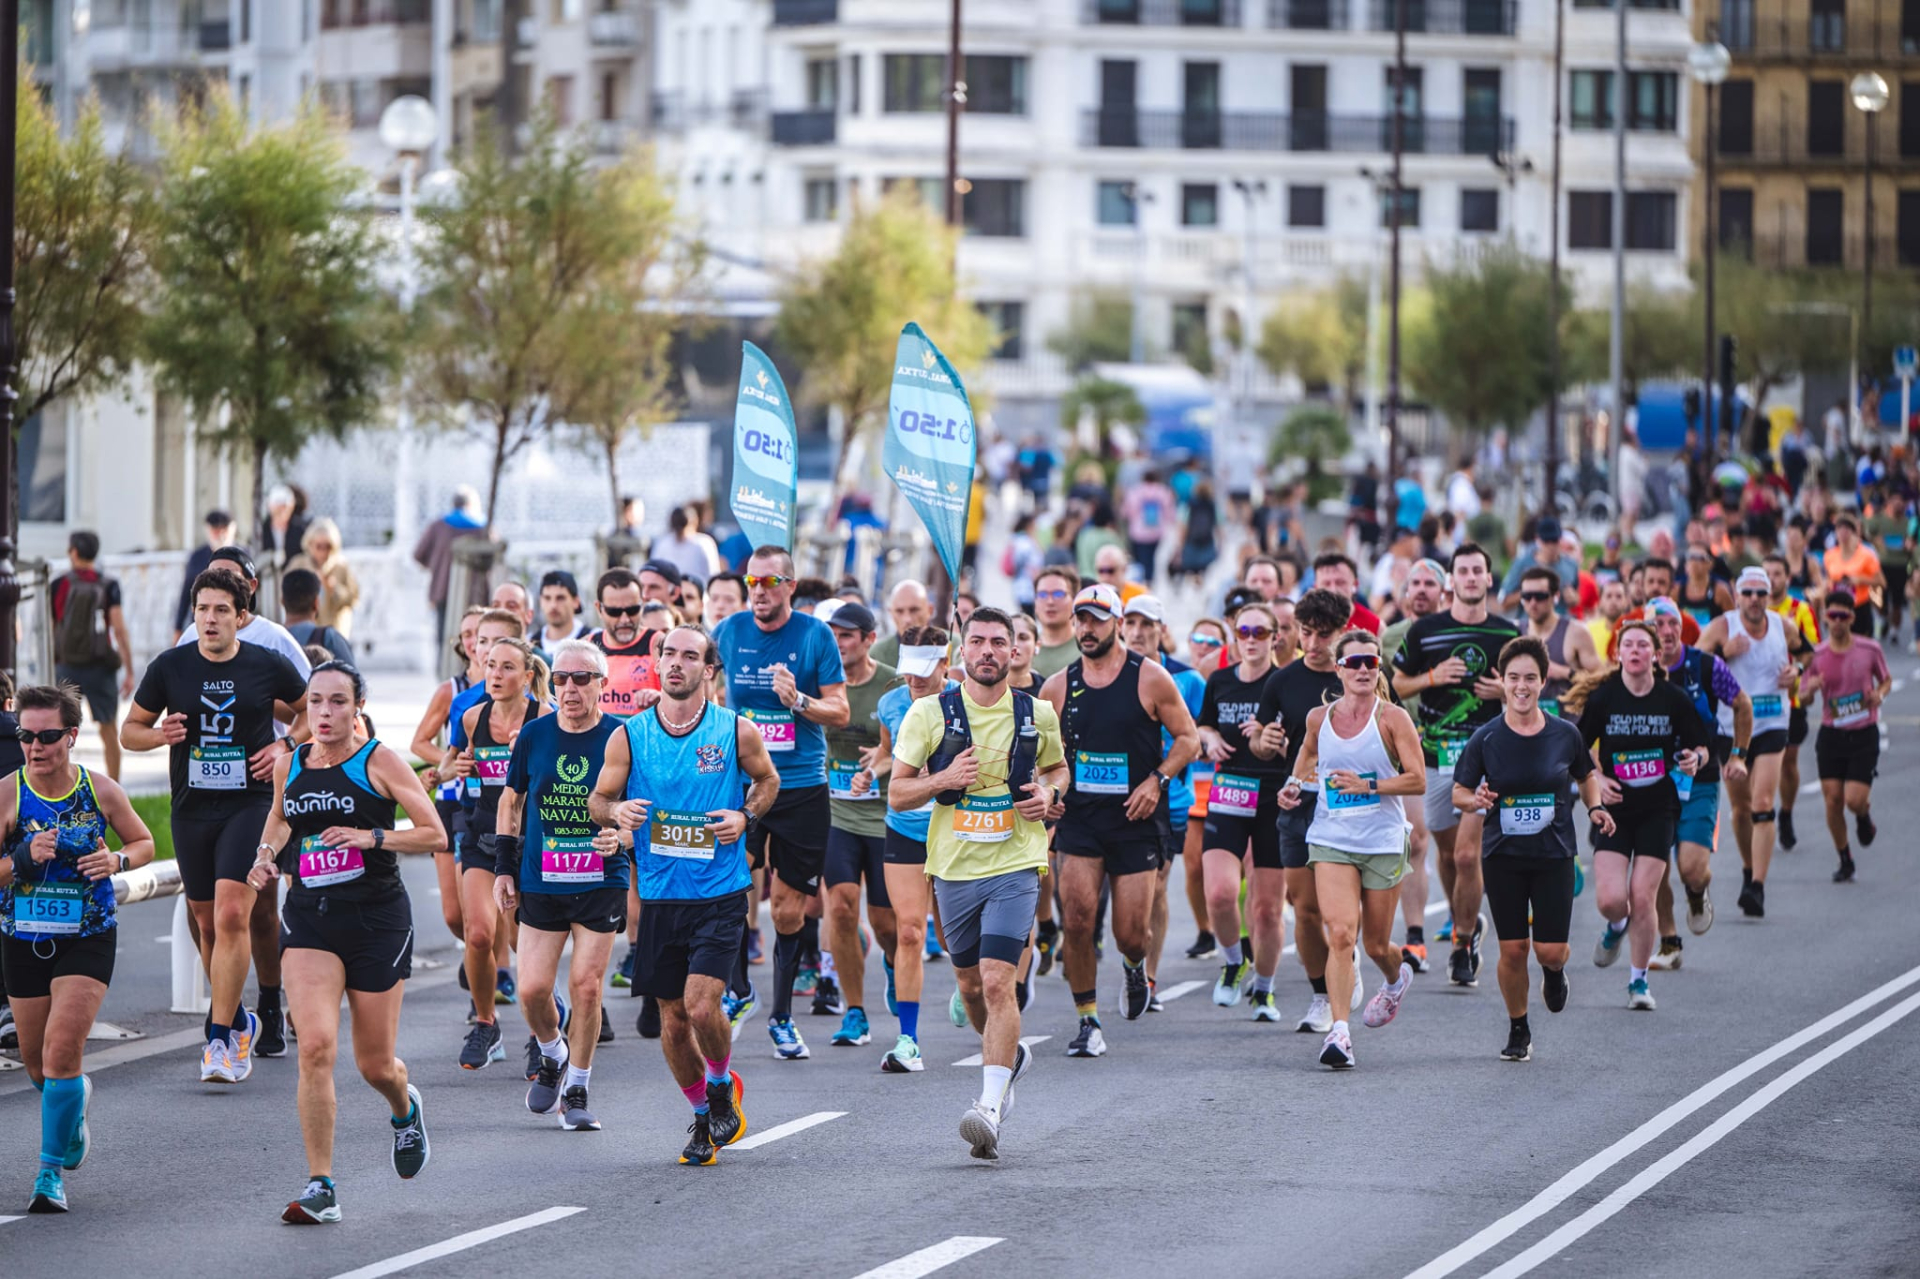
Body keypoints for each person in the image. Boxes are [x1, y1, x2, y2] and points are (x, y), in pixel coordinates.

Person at [246, 663, 441, 1223]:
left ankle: (404, 1110)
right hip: (311, 917)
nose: (325, 714)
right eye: (315, 703)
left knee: (375, 1065)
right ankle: (321, 1185)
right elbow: (281, 820)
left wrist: (371, 836)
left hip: (378, 920)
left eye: (337, 703)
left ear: (357, 708)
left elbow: (433, 832)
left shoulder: (378, 760)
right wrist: (265, 855)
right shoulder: (291, 763)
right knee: (314, 1047)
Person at [591, 625, 779, 1165]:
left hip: (720, 893)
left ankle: (720, 1084)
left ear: (709, 670)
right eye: (668, 654)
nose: (676, 663)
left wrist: (744, 815)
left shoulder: (734, 731)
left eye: (689, 656)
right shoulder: (629, 736)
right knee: (671, 1020)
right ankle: (703, 1116)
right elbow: (599, 800)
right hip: (658, 895)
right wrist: (616, 812)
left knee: (701, 1006)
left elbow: (768, 783)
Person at [891, 607, 1068, 1160]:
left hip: (1016, 862)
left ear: (1016, 651)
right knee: (970, 987)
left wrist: (1050, 795)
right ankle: (1006, 1060)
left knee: (998, 982)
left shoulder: (1037, 712)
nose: (990, 651)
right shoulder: (927, 713)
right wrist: (943, 778)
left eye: (1001, 642)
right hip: (953, 867)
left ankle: (989, 1106)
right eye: (979, 642)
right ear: (960, 651)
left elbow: (1060, 769)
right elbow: (897, 793)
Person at [123, 567, 310, 1083]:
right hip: (190, 808)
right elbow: (128, 732)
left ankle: (220, 1040)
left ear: (241, 617)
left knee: (232, 915)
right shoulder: (171, 667)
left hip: (248, 805)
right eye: (203, 609)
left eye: (221, 610)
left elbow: (309, 710)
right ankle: (240, 1018)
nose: (210, 618)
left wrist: (284, 745)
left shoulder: (265, 663)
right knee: (206, 922)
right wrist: (160, 736)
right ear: (194, 614)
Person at [0, 684, 156, 1214]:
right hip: (24, 938)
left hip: (87, 936)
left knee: (62, 1052)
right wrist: (20, 857)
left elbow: (144, 842)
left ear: (70, 735)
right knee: (38, 1066)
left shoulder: (100, 790)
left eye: (46, 736)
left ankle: (48, 1177)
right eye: (26, 735)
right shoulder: (8, 794)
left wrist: (118, 863)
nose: (34, 747)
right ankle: (74, 1103)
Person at [1040, 584, 1198, 1055]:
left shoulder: (1149, 678)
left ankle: (1134, 967)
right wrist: (1049, 792)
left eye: (1096, 620)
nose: (1086, 629)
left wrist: (1157, 781)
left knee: (1131, 933)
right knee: (1079, 919)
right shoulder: (1057, 686)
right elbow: (1044, 757)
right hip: (1081, 820)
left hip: (1135, 819)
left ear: (1118, 622)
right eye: (1080, 620)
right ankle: (1087, 1022)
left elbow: (1188, 739)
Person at [712, 547, 850, 1061]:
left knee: (789, 911)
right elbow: (706, 694)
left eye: (771, 580)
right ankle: (739, 989)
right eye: (752, 580)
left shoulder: (816, 636)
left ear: (790, 585)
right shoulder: (728, 632)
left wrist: (799, 702)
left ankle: (782, 1016)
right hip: (739, 785)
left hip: (799, 789)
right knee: (726, 889)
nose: (760, 589)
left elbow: (840, 710)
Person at [1451, 637, 1614, 1063]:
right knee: (1512, 949)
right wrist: (1476, 801)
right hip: (1503, 856)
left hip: (1553, 855)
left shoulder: (1565, 734)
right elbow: (1460, 791)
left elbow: (1586, 775)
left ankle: (1555, 973)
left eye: (1530, 678)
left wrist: (1595, 807)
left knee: (1549, 951)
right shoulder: (1486, 739)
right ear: (1502, 683)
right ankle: (1518, 1026)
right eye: (1513, 678)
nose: (1521, 687)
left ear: (1543, 683)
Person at [492, 640, 625, 1128]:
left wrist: (623, 837)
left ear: (602, 686)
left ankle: (578, 1088)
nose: (570, 688)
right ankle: (552, 1051)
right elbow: (511, 801)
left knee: (586, 986)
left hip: (601, 878)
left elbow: (638, 808)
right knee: (530, 990)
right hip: (541, 878)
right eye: (563, 679)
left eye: (582, 679)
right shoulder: (534, 735)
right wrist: (504, 869)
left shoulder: (622, 737)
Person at [1278, 630, 1422, 1070]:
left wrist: (1370, 786)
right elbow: (1305, 761)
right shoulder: (1319, 720)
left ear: (1378, 669)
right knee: (1340, 934)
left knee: (1376, 945)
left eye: (1371, 663)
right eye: (1354, 662)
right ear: (1338, 668)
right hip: (1332, 837)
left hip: (1381, 840)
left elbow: (1417, 779)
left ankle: (1396, 979)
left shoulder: (1392, 719)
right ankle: (1340, 1033)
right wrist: (1292, 786)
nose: (1363, 669)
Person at [1388, 543, 1517, 987]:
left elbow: (1530, 689)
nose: (1469, 578)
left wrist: (1504, 692)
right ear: (1452, 581)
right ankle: (1469, 922)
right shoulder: (1425, 630)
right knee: (1446, 854)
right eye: (1461, 571)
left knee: (1466, 855)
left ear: (1487, 580)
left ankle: (1462, 943)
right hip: (1434, 756)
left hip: (1485, 758)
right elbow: (1395, 685)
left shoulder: (1507, 632)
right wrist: (1431, 678)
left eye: (1477, 570)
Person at [1568, 622, 1711, 1011]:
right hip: (1614, 811)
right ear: (1618, 654)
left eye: (1641, 645)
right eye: (1626, 645)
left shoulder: (1673, 698)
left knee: (1642, 896)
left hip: (1658, 809)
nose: (1633, 651)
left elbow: (1703, 746)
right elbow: (1577, 748)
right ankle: (1616, 926)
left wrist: (1695, 759)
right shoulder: (1604, 698)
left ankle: (1638, 982)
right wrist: (1597, 776)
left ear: (1654, 654)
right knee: (1613, 900)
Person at [454, 636, 551, 1066]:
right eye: (491, 665)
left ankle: (540, 1033)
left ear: (528, 676)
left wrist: (526, 759)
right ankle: (486, 1024)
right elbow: (459, 765)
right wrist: (457, 766)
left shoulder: (545, 719)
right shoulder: (474, 716)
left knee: (521, 939)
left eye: (507, 667)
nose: (496, 674)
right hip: (483, 834)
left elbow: (558, 781)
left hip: (529, 840)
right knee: (478, 933)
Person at [1698, 566, 1812, 919]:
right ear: (1737, 594)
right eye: (1747, 593)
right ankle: (1749, 869)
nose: (1754, 600)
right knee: (1742, 808)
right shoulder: (1722, 626)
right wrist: (1721, 653)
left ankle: (1758, 887)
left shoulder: (1783, 625)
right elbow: (1693, 665)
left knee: (1764, 802)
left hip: (1773, 723)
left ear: (1768, 596)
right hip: (1731, 728)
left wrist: (1798, 672)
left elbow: (1807, 653)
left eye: (1760, 593)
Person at [1198, 599, 1293, 1018]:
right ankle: (1235, 961)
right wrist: (1207, 739)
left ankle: (1265, 989)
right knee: (1219, 894)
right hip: (1230, 790)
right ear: (1234, 637)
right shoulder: (1220, 679)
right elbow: (1201, 723)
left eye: (1260, 633)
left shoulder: (1287, 682)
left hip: (1275, 796)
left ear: (1276, 637)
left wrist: (1279, 743)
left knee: (1268, 908)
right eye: (1243, 633)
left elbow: (1304, 747)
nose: (1250, 640)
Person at [865, 627, 952, 1071]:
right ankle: (908, 1040)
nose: (914, 681)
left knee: (962, 938)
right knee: (910, 932)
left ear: (944, 663)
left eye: (923, 672)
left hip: (957, 828)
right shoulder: (891, 702)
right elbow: (887, 752)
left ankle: (971, 991)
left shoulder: (966, 700)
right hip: (905, 827)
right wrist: (873, 769)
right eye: (908, 672)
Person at [1646, 597, 1749, 970]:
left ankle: (1697, 891)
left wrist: (1739, 754)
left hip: (1700, 778)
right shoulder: (1637, 668)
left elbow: (1742, 704)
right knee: (1653, 866)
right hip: (1651, 781)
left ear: (1681, 627)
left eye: (1672, 623)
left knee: (1691, 867)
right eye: (1657, 625)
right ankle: (1669, 941)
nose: (1667, 631)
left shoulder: (1706, 665)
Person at [818, 602, 898, 1050]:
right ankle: (854, 1011)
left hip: (885, 815)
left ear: (869, 639)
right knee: (843, 907)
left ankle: (890, 961)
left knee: (886, 925)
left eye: (847, 635)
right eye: (832, 634)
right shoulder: (820, 683)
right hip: (837, 812)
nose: (838, 643)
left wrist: (882, 761)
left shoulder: (892, 684)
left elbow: (914, 742)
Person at [1124, 597, 1206, 1007]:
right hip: (1112, 803)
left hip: (1168, 800)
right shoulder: (1107, 674)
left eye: (1147, 624)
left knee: (1156, 888)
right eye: (1131, 622)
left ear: (1162, 630)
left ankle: (1148, 977)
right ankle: (1131, 955)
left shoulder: (1187, 680)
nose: (1138, 631)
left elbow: (1200, 737)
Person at [409, 607, 493, 964]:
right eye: (469, 635)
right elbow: (419, 743)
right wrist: (451, 758)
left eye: (482, 634)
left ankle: (487, 965)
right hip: (451, 799)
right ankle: (483, 958)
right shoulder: (453, 691)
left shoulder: (516, 688)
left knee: (484, 914)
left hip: (490, 801)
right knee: (453, 915)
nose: (475, 642)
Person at [1378, 558, 1445, 969]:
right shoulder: (1391, 637)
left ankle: (1464, 924)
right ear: (1404, 595)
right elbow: (1385, 690)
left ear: (1443, 592)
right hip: (1409, 745)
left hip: (1456, 744)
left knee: (1459, 853)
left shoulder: (1457, 632)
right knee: (1415, 841)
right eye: (1414, 583)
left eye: (1429, 583)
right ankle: (1415, 935)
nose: (1420, 590)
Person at [1799, 592, 1891, 884]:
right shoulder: (1818, 656)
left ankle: (1863, 815)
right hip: (1832, 735)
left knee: (1853, 800)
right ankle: (1845, 858)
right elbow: (1801, 697)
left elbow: (1885, 680)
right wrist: (1810, 689)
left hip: (1864, 733)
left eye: (1843, 616)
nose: (1837, 622)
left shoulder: (1869, 649)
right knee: (1833, 800)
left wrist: (1879, 694)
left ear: (1852, 618)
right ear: (1825, 618)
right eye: (1832, 616)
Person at [51, 531, 135, 782]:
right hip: (101, 666)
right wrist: (129, 669)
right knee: (108, 729)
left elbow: (49, 628)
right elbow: (119, 629)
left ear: (74, 552)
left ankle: (60, 787)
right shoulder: (108, 585)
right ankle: (115, 788)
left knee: (61, 730)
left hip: (67, 666)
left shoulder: (59, 584)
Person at [173, 547, 314, 674]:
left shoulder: (275, 639)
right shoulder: (191, 635)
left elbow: (309, 693)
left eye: (229, 577)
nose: (219, 584)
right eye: (212, 576)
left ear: (252, 586)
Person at [1765, 555, 1821, 852]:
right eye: (1767, 574)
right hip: (1755, 700)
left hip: (1791, 699)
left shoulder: (1800, 611)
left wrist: (1799, 673)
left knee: (1787, 761)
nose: (1771, 579)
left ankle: (1785, 813)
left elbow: (1811, 652)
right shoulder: (1748, 611)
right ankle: (1762, 808)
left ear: (1788, 578)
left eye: (1777, 573)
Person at [1518, 565, 1600, 717]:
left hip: (1566, 730)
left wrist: (1564, 672)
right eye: (1527, 596)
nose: (1533, 602)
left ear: (1555, 596)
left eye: (1540, 596)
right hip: (1525, 730)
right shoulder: (1515, 632)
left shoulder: (1576, 632)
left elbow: (1601, 681)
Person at [412, 486, 488, 645]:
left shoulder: (438, 526)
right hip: (475, 593)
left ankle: (444, 669)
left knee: (445, 638)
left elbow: (418, 554)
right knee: (475, 637)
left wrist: (436, 566)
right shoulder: (482, 528)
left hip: (443, 590)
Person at [592, 568, 666, 720]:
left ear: (643, 604)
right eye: (615, 612)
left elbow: (686, 699)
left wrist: (662, 698)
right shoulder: (588, 647)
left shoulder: (659, 644)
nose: (625, 619)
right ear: (599, 608)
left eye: (632, 610)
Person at [285, 518, 360, 638]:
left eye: (328, 546)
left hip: (334, 632)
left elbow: (354, 598)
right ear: (310, 544)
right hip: (303, 632)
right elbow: (285, 594)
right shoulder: (298, 564)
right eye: (319, 546)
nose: (323, 551)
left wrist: (334, 589)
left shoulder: (341, 566)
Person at [174, 509, 237, 639]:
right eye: (215, 530)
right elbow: (187, 593)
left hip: (234, 622)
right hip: (203, 623)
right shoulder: (197, 557)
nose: (219, 534)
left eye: (223, 529)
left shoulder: (243, 556)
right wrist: (178, 628)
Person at [1822, 512, 1885, 636]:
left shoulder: (1866, 555)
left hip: (1859, 607)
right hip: (1837, 608)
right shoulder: (1830, 555)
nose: (1843, 533)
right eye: (1839, 528)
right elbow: (1828, 578)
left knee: (1861, 650)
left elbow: (1881, 582)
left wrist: (1860, 579)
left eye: (1847, 529)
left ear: (1854, 533)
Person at [1499, 517, 1578, 613]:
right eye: (1546, 542)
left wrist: (1573, 598)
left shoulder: (1571, 565)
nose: (1551, 546)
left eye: (1554, 541)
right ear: (1538, 540)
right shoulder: (1522, 564)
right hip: (1529, 622)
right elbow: (1504, 603)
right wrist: (1529, 593)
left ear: (1560, 540)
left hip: (1560, 621)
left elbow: (1577, 598)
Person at [283, 569, 354, 665]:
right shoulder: (329, 638)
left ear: (282, 602)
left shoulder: (270, 639)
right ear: (316, 603)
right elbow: (353, 677)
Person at [1121, 469, 1176, 585]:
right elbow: (1170, 513)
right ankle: (1150, 581)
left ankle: (1140, 582)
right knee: (1152, 559)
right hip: (1157, 532)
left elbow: (1128, 512)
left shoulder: (1135, 491)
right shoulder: (1163, 491)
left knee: (1140, 559)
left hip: (1138, 532)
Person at [1309, 552, 1382, 633]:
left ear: (1355, 585)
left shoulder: (1375, 626)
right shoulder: (1306, 624)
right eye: (1326, 583)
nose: (1333, 589)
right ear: (1315, 587)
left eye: (1340, 582)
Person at [1029, 566, 1080, 679]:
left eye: (1058, 594)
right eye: (1042, 595)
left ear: (1074, 600)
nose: (1050, 602)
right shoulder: (1024, 650)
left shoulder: (1087, 647)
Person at [870, 580, 931, 672]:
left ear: (930, 610)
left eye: (914, 610)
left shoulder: (952, 647)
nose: (907, 619)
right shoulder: (877, 654)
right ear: (891, 613)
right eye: (899, 611)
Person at [534, 570, 591, 663]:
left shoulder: (593, 640)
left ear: (576, 601)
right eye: (547, 598)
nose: (553, 605)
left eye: (560, 598)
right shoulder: (531, 643)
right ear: (541, 601)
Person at [652, 505, 722, 581]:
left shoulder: (704, 544)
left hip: (698, 590)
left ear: (695, 522)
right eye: (677, 526)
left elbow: (713, 574)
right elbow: (654, 572)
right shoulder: (663, 543)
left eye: (683, 526)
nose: (680, 532)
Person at [259, 485, 311, 582]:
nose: (282, 510)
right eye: (278, 506)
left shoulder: (302, 529)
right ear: (270, 506)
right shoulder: (261, 530)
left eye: (285, 506)